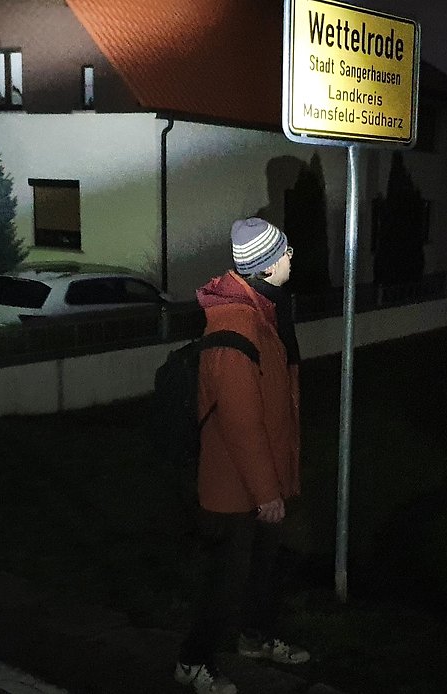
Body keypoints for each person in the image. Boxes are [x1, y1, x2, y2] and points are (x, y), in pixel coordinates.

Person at [174, 218, 309, 694]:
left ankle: (255, 638)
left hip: (262, 475)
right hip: (236, 485)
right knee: (227, 580)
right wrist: (267, 491)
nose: (291, 257)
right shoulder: (235, 325)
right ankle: (193, 661)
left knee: (264, 568)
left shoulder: (264, 312)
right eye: (285, 252)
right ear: (266, 265)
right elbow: (240, 421)